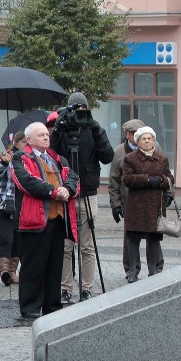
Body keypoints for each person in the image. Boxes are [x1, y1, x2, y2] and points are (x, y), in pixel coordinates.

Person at [11, 122, 79, 318]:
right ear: (29, 140)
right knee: (33, 266)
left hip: (57, 220)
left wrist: (68, 189)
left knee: (54, 266)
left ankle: (52, 306)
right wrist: (54, 192)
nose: (46, 137)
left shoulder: (57, 158)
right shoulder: (20, 158)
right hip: (34, 220)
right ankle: (30, 307)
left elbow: (73, 176)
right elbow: (26, 182)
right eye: (40, 135)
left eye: (46, 134)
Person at [51, 92, 113, 303]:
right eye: (75, 108)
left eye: (82, 108)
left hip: (88, 192)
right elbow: (51, 155)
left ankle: (87, 288)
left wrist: (95, 128)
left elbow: (107, 156)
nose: (79, 113)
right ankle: (65, 287)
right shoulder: (62, 129)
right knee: (66, 246)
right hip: (65, 194)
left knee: (87, 246)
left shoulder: (93, 129)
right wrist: (59, 127)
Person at [109, 119, 167, 280]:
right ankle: (131, 270)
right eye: (134, 134)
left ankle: (156, 267)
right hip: (131, 201)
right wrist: (115, 204)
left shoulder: (157, 149)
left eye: (142, 133)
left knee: (154, 234)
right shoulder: (121, 152)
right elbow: (115, 179)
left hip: (153, 201)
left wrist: (169, 193)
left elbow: (166, 173)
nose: (140, 137)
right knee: (131, 237)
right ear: (127, 134)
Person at [122, 127, 173, 280]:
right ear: (138, 141)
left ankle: (153, 269)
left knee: (154, 238)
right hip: (136, 205)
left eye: (149, 138)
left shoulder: (162, 158)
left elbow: (169, 177)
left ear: (154, 141)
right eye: (143, 139)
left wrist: (163, 181)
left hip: (155, 205)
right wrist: (148, 180)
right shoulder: (130, 158)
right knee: (133, 238)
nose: (147, 141)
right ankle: (132, 271)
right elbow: (127, 179)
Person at [0, 131, 27, 286]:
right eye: (24, 142)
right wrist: (5, 163)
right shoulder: (6, 158)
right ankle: (4, 271)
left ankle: (12, 272)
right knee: (6, 238)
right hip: (3, 205)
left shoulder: (30, 160)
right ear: (16, 143)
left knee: (18, 240)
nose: (27, 145)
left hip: (22, 206)